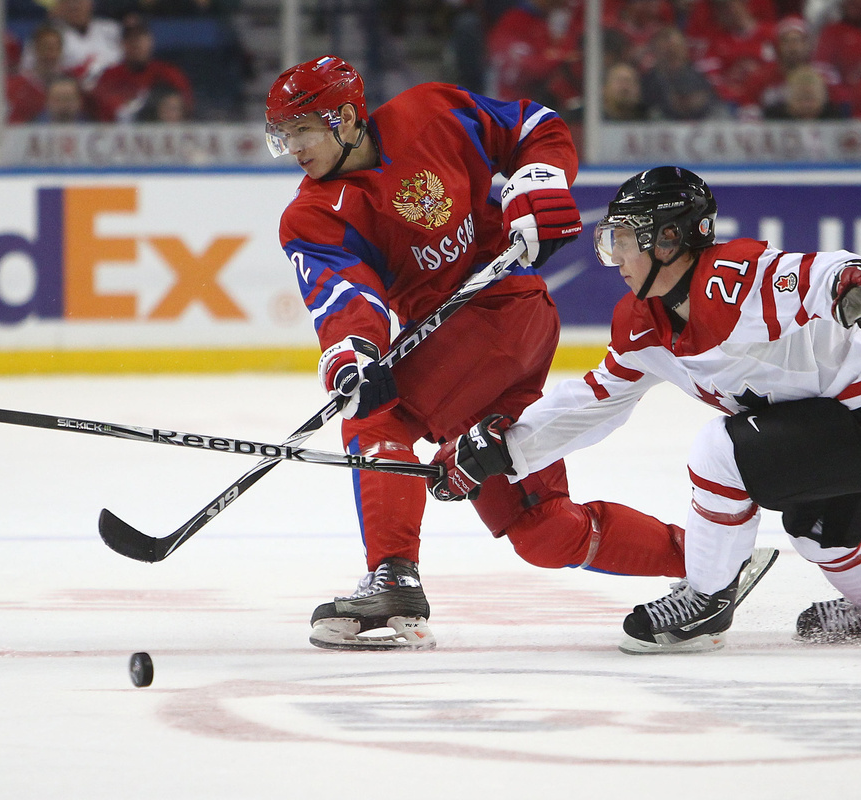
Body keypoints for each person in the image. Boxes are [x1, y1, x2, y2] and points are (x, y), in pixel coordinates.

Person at [265, 56, 707, 652]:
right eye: (283, 135)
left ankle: (393, 578)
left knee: (379, 419)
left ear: (345, 118)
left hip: (501, 310)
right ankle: (711, 563)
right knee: (541, 530)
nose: (293, 148)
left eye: (301, 130)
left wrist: (538, 182)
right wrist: (353, 353)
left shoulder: (431, 112)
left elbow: (533, 128)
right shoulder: (312, 215)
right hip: (482, 345)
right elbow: (342, 293)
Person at [430, 166, 861, 653]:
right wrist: (502, 450)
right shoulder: (643, 322)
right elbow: (596, 400)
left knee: (721, 449)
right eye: (611, 241)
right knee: (817, 529)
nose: (616, 258)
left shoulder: (731, 279)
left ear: (669, 239)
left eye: (625, 240)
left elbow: (806, 276)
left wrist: (855, 278)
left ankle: (707, 601)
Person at [90, 15, 192, 122]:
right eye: (130, 38)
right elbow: (99, 115)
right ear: (122, 44)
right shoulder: (109, 76)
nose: (136, 43)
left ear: (151, 41)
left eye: (141, 37)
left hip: (162, 131)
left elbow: (187, 108)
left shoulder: (168, 73)